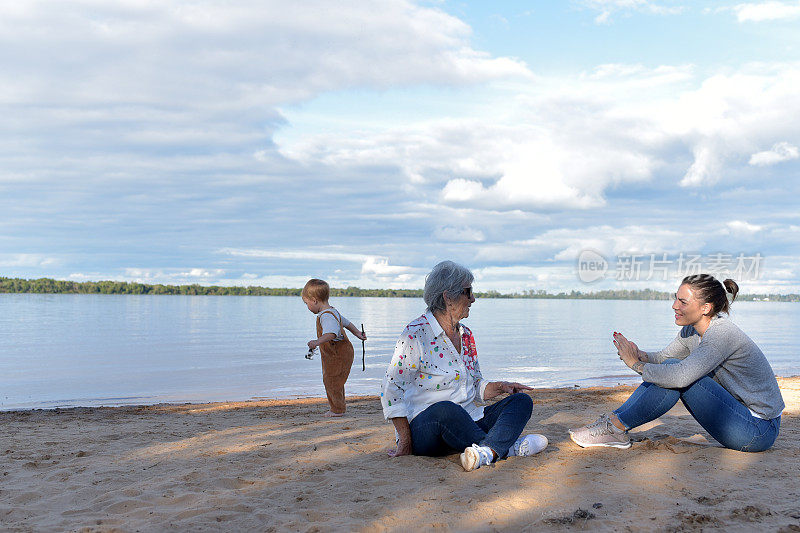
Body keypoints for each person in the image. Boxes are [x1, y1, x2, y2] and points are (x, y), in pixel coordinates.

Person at [569, 274, 784, 452]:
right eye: (675, 298)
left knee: (678, 374)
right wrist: (639, 354)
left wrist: (635, 365)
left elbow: (680, 375)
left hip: (758, 429)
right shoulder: (691, 331)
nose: (674, 306)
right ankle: (614, 424)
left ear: (705, 308)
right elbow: (663, 358)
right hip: (736, 414)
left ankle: (614, 428)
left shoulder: (721, 334)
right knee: (672, 366)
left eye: (683, 302)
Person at [381, 260, 548, 472]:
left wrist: (500, 387)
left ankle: (486, 452)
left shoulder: (466, 335)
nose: (473, 299)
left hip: (470, 421)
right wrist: (404, 442)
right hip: (428, 429)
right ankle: (506, 448)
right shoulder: (416, 334)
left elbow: (474, 386)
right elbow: (390, 389)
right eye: (468, 292)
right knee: (446, 410)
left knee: (521, 401)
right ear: (448, 296)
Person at [302, 278, 367, 417]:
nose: (307, 307)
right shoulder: (333, 311)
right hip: (339, 353)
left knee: (332, 380)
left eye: (306, 303)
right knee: (336, 380)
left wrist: (316, 342)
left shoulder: (326, 316)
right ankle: (339, 406)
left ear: (314, 300)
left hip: (337, 353)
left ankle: (337, 410)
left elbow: (331, 334)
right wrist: (357, 333)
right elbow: (347, 323)